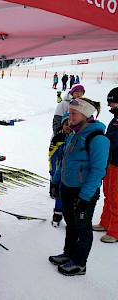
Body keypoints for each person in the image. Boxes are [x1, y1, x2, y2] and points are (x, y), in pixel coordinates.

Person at [49, 97, 110, 276]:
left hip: (83, 191)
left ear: (85, 114)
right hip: (68, 188)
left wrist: (85, 197)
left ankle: (80, 263)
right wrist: (55, 182)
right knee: (71, 224)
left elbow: (98, 171)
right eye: (69, 112)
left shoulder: (97, 138)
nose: (70, 116)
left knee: (82, 227)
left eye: (74, 113)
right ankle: (68, 254)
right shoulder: (74, 134)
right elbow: (64, 161)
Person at [92, 87, 118, 243]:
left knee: (115, 197)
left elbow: (114, 141)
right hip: (111, 162)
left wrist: (101, 140)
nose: (109, 106)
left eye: (112, 102)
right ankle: (105, 222)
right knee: (108, 195)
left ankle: (115, 231)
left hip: (117, 164)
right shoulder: (116, 118)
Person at [49, 113, 71, 227]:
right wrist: (53, 172)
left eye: (70, 124)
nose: (68, 126)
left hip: (71, 173)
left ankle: (70, 217)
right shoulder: (57, 138)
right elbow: (52, 156)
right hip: (59, 172)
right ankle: (57, 214)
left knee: (70, 196)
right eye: (66, 124)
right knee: (59, 194)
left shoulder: (75, 138)